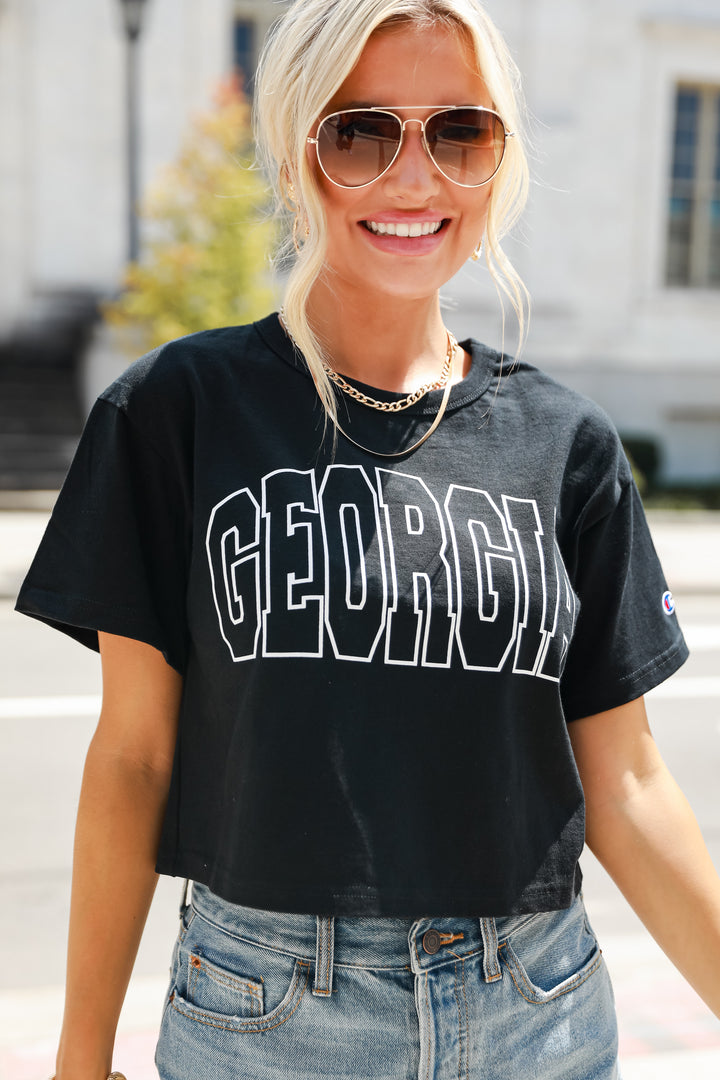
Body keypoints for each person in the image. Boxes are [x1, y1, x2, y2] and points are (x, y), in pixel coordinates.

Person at [16, 1, 720, 1077]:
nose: (414, 177)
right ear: (299, 155)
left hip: (539, 1008)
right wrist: (78, 1055)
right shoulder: (177, 412)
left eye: (459, 132)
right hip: (265, 1012)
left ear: (498, 161)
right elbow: (131, 759)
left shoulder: (566, 443)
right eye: (360, 131)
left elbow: (625, 783)